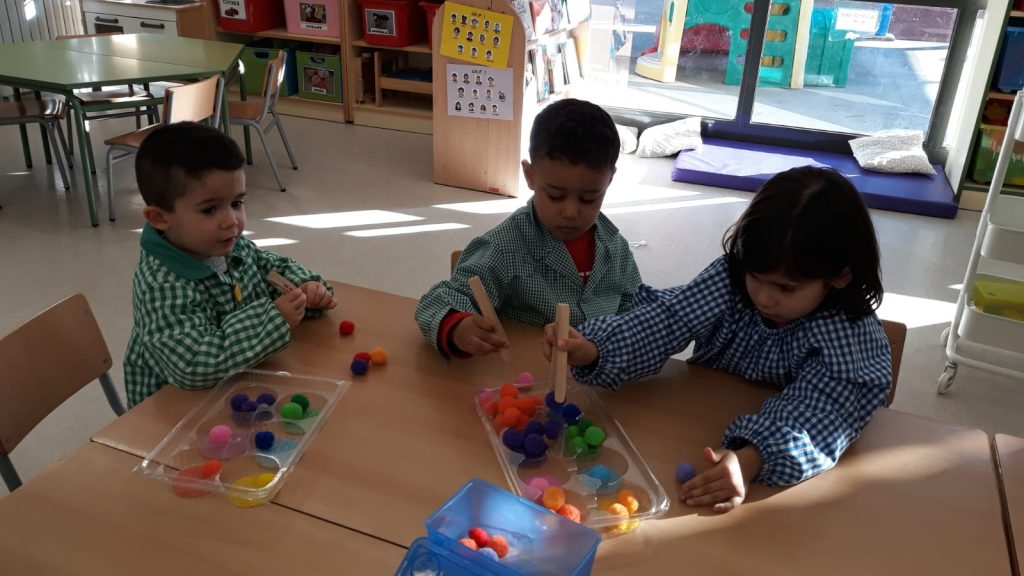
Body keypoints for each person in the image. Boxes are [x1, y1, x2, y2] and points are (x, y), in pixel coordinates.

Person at [543, 166, 891, 512]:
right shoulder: (731, 277)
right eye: (756, 276)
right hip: (694, 423)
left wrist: (752, 457)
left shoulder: (848, 332)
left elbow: (824, 410)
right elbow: (668, 320)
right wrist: (595, 348)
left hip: (768, 479)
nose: (763, 298)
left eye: (786, 288)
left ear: (840, 276)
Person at [124, 122, 336, 407]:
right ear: (160, 218)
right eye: (210, 209)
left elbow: (269, 267)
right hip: (174, 410)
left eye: (237, 203)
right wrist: (273, 320)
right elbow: (193, 365)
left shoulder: (226, 243)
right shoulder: (161, 285)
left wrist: (304, 288)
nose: (231, 221)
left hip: (238, 384)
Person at [415, 99, 641, 359]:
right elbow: (438, 301)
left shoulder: (616, 248)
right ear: (530, 176)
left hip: (600, 371)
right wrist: (458, 327)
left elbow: (636, 307)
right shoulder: (505, 247)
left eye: (588, 198)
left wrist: (613, 347)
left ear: (609, 180)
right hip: (524, 373)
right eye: (556, 196)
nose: (571, 212)